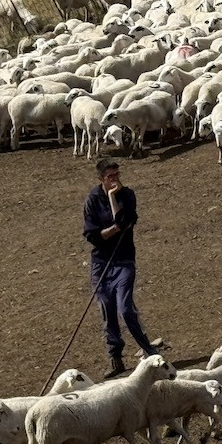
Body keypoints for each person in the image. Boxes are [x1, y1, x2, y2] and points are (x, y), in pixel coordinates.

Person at [83, 158, 160, 377]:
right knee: (107, 308)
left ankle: (149, 350)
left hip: (124, 260)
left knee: (125, 308)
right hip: (101, 264)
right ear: (101, 179)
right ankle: (115, 358)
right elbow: (92, 235)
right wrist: (115, 229)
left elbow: (125, 221)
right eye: (110, 177)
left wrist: (112, 198)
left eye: (117, 175)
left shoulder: (127, 195)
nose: (116, 179)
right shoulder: (91, 199)